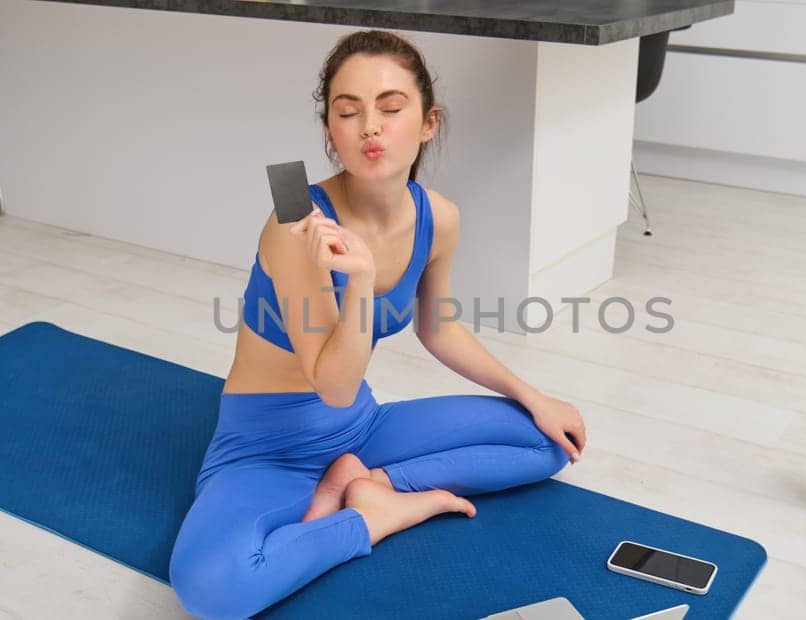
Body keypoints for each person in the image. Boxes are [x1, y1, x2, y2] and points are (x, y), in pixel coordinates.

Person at [167, 29, 589, 619]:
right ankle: (371, 515)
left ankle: (370, 481)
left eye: (391, 108)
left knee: (547, 441)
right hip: (265, 446)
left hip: (359, 431)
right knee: (212, 590)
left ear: (427, 123)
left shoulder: (438, 218)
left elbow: (438, 328)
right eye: (349, 112)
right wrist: (359, 279)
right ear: (332, 133)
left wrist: (532, 394)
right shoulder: (299, 228)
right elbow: (331, 385)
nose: (371, 126)